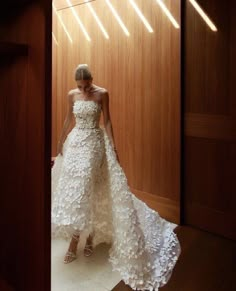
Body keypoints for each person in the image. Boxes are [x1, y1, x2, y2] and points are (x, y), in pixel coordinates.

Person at [51, 64, 181, 290]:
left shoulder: (102, 93)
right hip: (76, 142)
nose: (84, 88)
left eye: (87, 84)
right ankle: (87, 234)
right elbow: (67, 120)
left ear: (92, 79)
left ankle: (78, 240)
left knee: (85, 188)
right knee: (75, 190)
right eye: (80, 86)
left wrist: (114, 146)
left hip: (94, 144)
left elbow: (108, 121)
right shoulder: (71, 95)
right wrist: (61, 141)